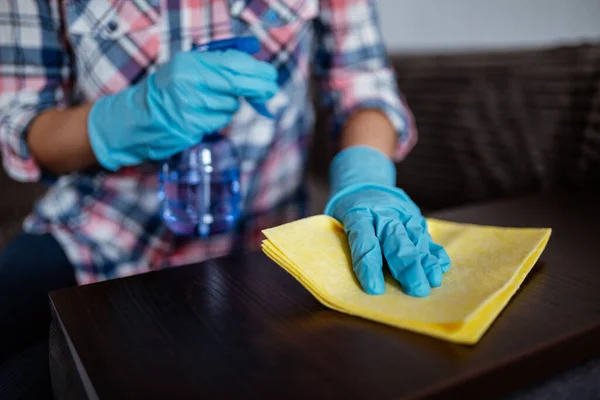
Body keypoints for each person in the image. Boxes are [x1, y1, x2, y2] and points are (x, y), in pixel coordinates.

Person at [0, 0, 450, 366]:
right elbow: (24, 130)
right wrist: (130, 115)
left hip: (267, 244)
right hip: (96, 233)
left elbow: (363, 86)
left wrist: (364, 181)